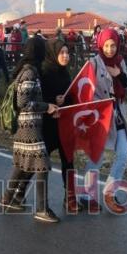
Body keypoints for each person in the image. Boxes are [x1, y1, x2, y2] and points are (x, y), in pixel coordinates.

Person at [0, 37, 60, 223]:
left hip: (26, 126)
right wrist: (46, 107)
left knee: (22, 164)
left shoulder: (26, 70)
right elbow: (23, 102)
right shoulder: (29, 72)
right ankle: (42, 208)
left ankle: (8, 198)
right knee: (41, 165)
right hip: (29, 127)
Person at [81, 28, 127, 213]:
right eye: (107, 45)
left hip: (118, 114)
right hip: (100, 116)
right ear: (100, 45)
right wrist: (100, 103)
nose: (110, 49)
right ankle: (87, 195)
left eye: (113, 45)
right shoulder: (93, 63)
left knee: (124, 154)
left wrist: (120, 76)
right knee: (97, 156)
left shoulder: (120, 62)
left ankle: (110, 193)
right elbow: (85, 92)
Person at [40, 38, 79, 213]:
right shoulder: (44, 71)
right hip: (48, 125)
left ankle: (70, 197)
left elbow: (70, 95)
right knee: (39, 163)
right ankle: (17, 192)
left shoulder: (65, 72)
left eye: (67, 52)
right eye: (61, 52)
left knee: (68, 160)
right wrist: (51, 101)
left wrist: (65, 100)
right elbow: (38, 97)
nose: (65, 56)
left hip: (64, 123)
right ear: (53, 54)